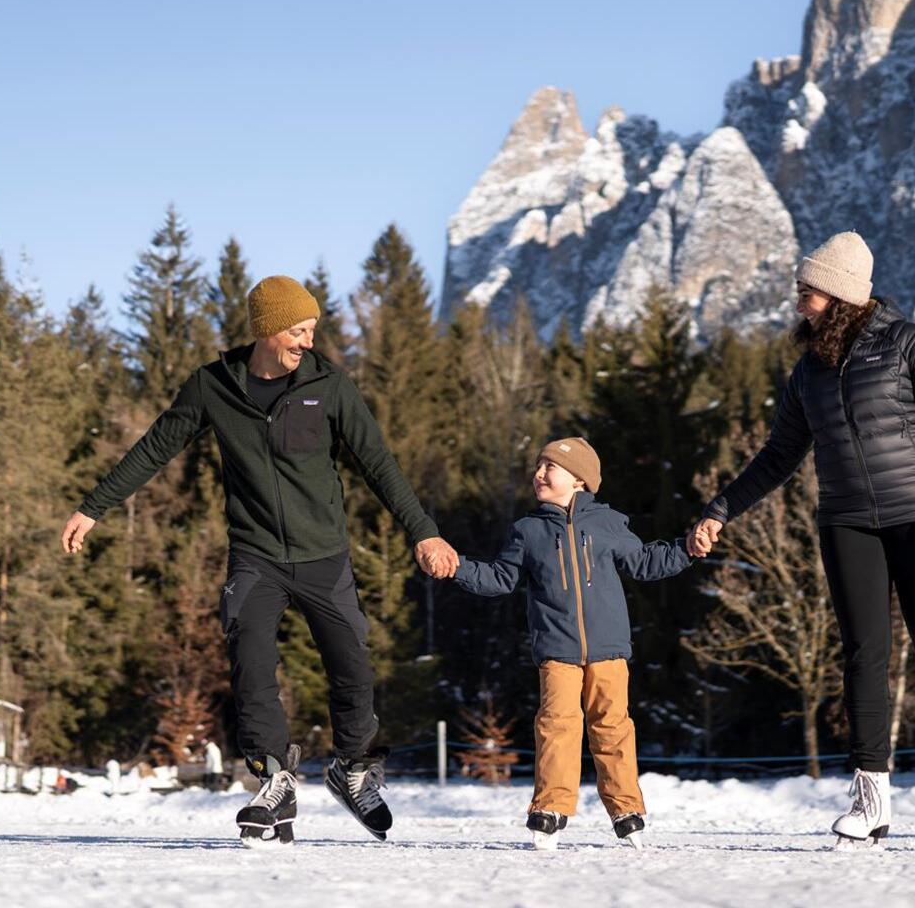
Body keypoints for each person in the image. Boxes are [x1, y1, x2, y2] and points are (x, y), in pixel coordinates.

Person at [60, 275, 457, 844]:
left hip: (325, 555)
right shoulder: (213, 387)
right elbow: (154, 447)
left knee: (353, 667)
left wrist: (424, 533)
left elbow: (379, 465)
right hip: (256, 556)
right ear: (268, 330)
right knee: (250, 664)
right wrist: (93, 508)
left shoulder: (330, 386)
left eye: (312, 329)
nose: (307, 341)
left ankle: (351, 767)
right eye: (298, 329)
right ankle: (274, 779)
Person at [688, 231, 915, 847]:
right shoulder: (808, 371)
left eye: (807, 293)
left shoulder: (909, 344)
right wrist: (719, 510)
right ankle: (871, 800)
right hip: (846, 523)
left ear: (839, 295)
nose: (798, 304)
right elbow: (778, 455)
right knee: (863, 655)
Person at [447, 437, 697, 850]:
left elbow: (646, 562)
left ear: (580, 480)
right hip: (556, 651)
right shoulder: (527, 531)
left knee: (613, 727)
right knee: (557, 727)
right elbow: (499, 578)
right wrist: (457, 567)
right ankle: (550, 807)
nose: (539, 474)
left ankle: (626, 809)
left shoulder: (608, 523)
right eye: (538, 467)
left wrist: (687, 549)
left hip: (609, 649)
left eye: (550, 467)